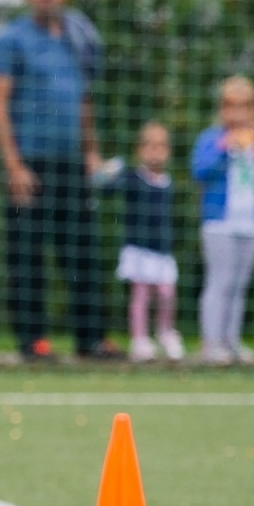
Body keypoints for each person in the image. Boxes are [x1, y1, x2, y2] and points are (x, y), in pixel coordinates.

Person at [0, 0, 121, 362]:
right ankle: (34, 342)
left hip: (72, 164)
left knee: (83, 251)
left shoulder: (78, 37)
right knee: (28, 255)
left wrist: (91, 152)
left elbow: (84, 101)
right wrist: (13, 165)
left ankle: (91, 340)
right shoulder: (11, 40)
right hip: (30, 164)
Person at [191, 75, 254, 365]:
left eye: (245, 106)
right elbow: (199, 171)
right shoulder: (211, 138)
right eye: (231, 106)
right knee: (219, 282)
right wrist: (224, 146)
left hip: (250, 223)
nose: (238, 113)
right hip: (219, 223)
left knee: (239, 285)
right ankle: (211, 344)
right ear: (222, 109)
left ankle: (231, 341)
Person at [106, 122, 184, 363]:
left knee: (167, 293)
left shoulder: (168, 182)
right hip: (139, 248)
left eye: (160, 146)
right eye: (149, 146)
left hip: (162, 250)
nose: (155, 151)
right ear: (139, 150)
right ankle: (140, 339)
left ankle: (165, 332)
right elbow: (107, 189)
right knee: (141, 295)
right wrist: (110, 171)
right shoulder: (132, 177)